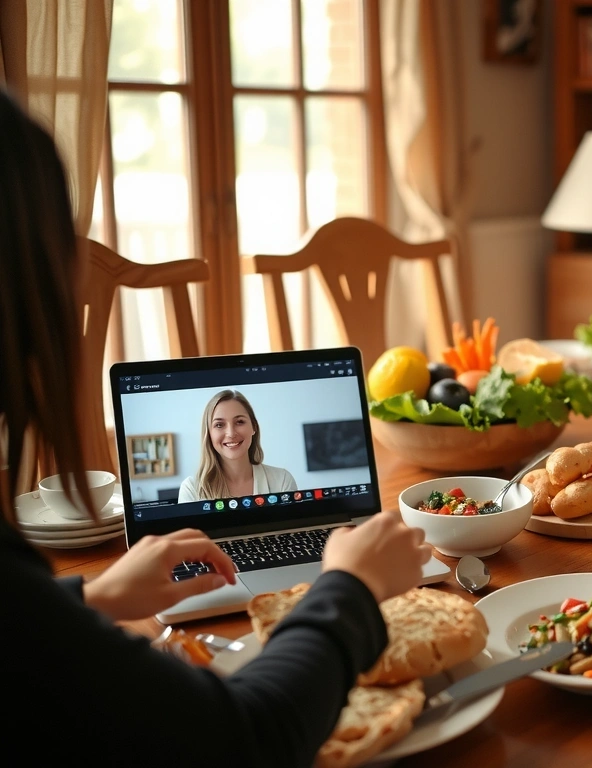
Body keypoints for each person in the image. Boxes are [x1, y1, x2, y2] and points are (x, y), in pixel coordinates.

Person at [0, 89, 434, 766]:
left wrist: (87, 596)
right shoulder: (184, 491)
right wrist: (346, 586)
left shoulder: (281, 478)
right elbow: (242, 737)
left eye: (241, 422)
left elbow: (23, 633)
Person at [178, 389, 298, 502]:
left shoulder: (282, 481)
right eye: (219, 425)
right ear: (208, 433)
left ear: (254, 427)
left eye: (239, 422)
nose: (230, 433)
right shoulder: (191, 490)